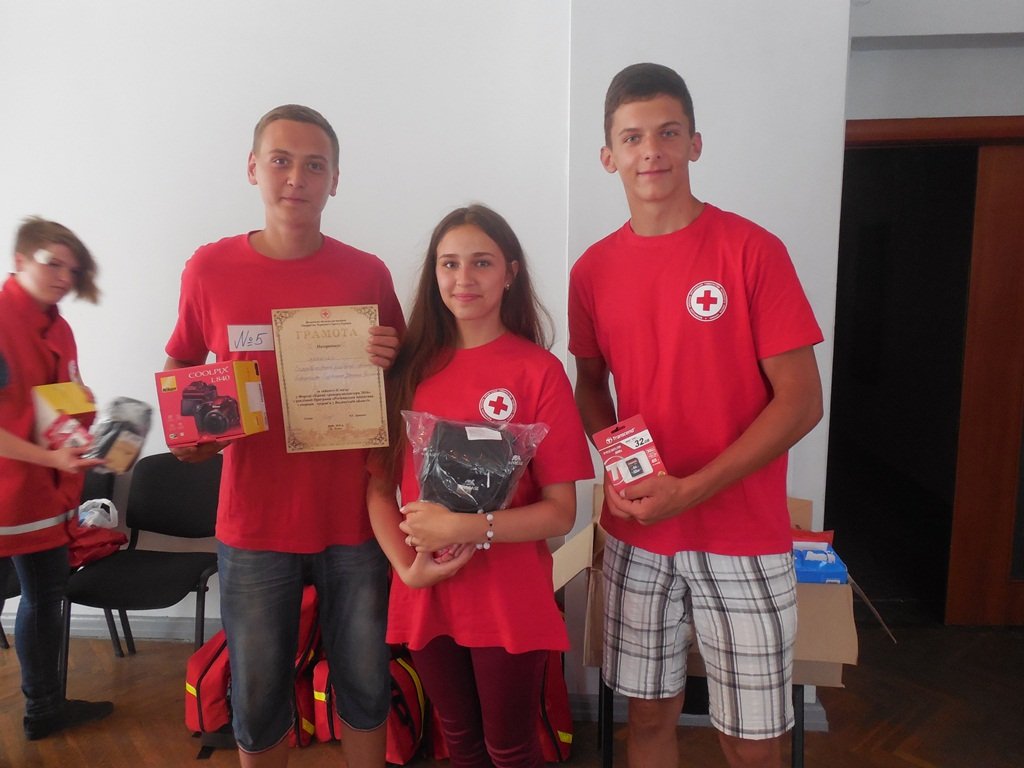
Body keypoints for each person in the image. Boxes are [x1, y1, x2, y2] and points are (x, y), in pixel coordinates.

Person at [568, 63, 824, 768]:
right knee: (648, 720)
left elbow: (802, 400)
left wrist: (691, 489)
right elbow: (590, 384)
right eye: (632, 137)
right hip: (638, 535)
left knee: (753, 741)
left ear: (695, 144)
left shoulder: (751, 250)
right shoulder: (592, 270)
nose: (651, 151)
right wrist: (620, 466)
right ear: (608, 155)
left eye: (668, 132)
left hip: (743, 536)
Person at [162, 104, 403, 768]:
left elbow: (405, 382)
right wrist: (185, 432)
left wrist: (392, 359)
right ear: (252, 168)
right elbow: (182, 361)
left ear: (335, 180)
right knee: (258, 692)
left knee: (365, 680)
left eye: (314, 165)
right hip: (254, 521)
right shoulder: (209, 268)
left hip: (354, 518)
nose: (297, 177)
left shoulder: (368, 274)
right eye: (280, 160)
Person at [368, 204, 593, 768]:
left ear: (510, 272)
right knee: (458, 743)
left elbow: (560, 512)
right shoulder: (407, 370)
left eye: (481, 262)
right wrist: (408, 570)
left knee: (510, 748)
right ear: (434, 274)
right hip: (426, 588)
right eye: (449, 264)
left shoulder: (538, 371)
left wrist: (464, 527)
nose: (463, 278)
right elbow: (376, 490)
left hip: (507, 593)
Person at [0, 217, 113, 740]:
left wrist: (87, 425)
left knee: (46, 598)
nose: (64, 277)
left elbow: (55, 400)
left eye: (73, 270)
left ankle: (44, 709)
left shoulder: (58, 326)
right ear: (20, 260)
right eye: (53, 264)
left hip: (45, 496)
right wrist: (53, 458)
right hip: (7, 494)